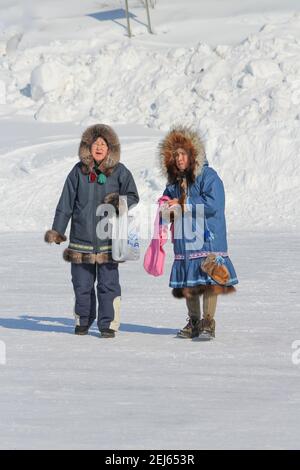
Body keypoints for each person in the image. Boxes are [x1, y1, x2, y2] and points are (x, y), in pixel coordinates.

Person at [45, 124, 139, 338]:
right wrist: (58, 230)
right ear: (88, 147)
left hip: (108, 240)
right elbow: (65, 203)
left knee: (108, 285)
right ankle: (83, 320)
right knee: (82, 285)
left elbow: (133, 195)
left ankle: (108, 324)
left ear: (110, 148)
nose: (99, 147)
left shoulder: (120, 171)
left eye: (103, 144)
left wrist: (118, 202)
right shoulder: (78, 172)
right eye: (95, 143)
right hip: (81, 239)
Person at [158, 126, 238, 340]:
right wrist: (166, 207)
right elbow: (168, 201)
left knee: (208, 277)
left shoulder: (208, 176)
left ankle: (208, 322)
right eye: (175, 155)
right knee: (189, 279)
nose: (179, 158)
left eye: (183, 154)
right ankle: (194, 321)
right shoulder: (174, 182)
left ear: (193, 154)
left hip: (208, 237)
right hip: (185, 239)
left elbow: (215, 204)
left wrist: (185, 204)